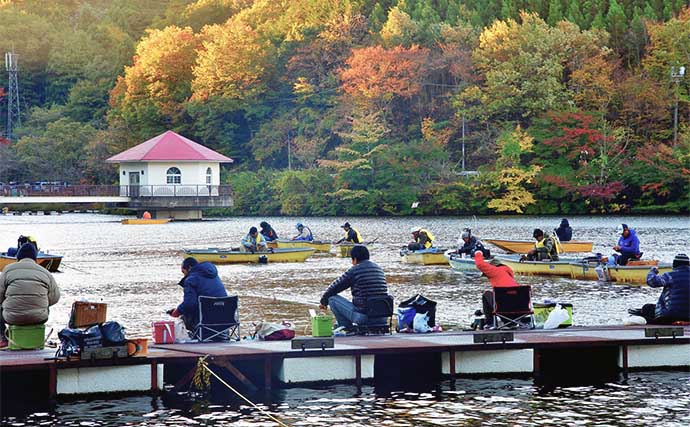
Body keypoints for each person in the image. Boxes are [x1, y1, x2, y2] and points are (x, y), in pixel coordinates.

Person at [0, 243, 60, 348]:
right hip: (39, 317)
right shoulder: (45, 272)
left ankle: (3, 338)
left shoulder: (8, 270)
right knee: (44, 305)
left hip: (12, 318)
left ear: (17, 257)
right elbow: (54, 298)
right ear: (35, 258)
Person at [319, 245, 389, 331]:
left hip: (364, 317)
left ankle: (346, 328)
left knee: (332, 299)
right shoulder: (379, 269)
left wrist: (323, 302)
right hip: (383, 317)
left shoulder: (354, 270)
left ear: (355, 259)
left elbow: (334, 288)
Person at [167, 257, 228, 334]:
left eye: (183, 272)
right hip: (225, 318)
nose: (184, 275)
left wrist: (177, 311)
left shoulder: (190, 280)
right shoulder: (214, 275)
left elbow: (189, 304)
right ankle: (219, 335)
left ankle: (197, 336)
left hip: (206, 320)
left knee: (185, 315)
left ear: (189, 268)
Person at [628, 254, 690, 324]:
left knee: (647, 308)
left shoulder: (670, 276)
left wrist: (653, 271)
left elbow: (651, 281)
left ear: (674, 264)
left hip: (669, 315)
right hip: (688, 316)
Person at [474, 250, 519, 329]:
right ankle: (510, 323)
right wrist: (482, 311)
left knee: (486, 294)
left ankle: (490, 323)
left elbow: (480, 264)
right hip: (519, 313)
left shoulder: (495, 270)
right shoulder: (510, 277)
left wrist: (478, 253)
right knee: (500, 297)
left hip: (503, 310)